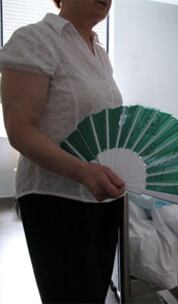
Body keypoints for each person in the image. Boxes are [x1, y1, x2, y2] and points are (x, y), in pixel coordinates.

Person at [0, 0, 125, 302]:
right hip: (56, 199)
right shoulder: (35, 39)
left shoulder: (100, 54)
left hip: (105, 197)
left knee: (94, 294)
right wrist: (84, 171)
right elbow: (20, 129)